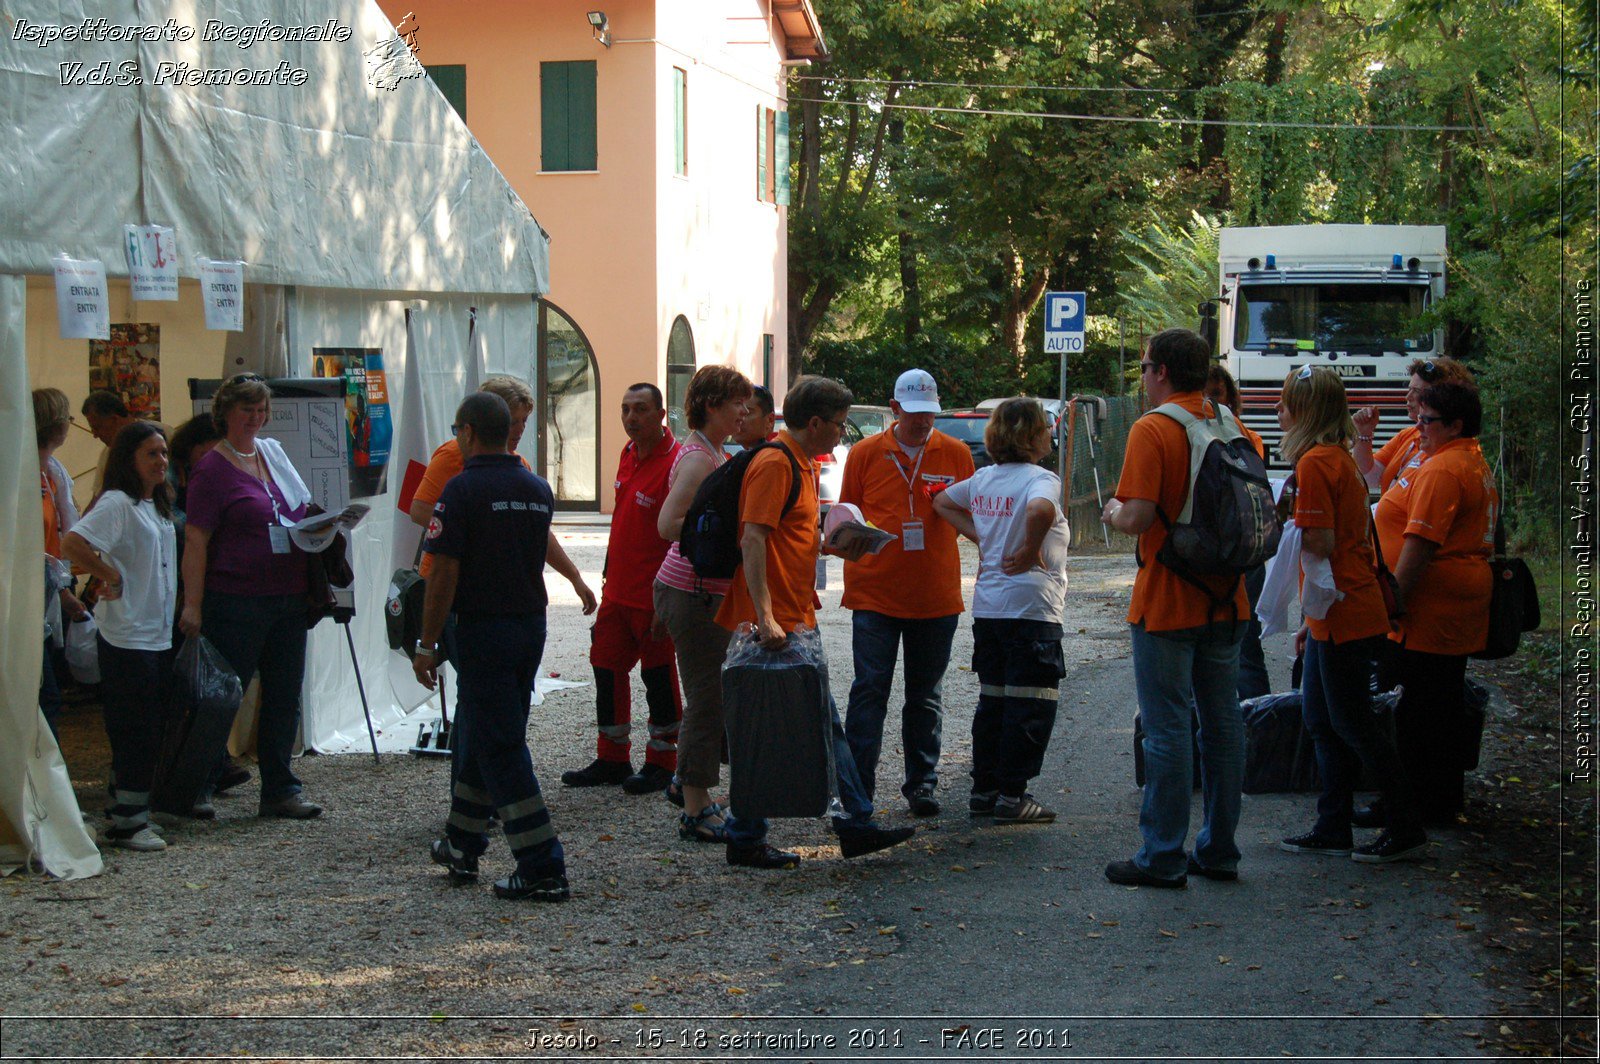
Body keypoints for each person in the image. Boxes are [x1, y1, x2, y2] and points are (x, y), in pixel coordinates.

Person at [715, 375, 916, 869]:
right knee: (799, 725)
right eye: (839, 426)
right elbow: (753, 540)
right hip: (775, 622)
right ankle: (849, 823)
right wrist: (764, 616)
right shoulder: (775, 463)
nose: (841, 436)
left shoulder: (799, 462)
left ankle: (770, 831)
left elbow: (780, 536)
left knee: (798, 725)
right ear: (814, 422)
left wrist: (834, 544)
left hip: (790, 616)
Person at [414, 392, 597, 902]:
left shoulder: (462, 491)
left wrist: (427, 643)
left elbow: (443, 575)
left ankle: (541, 864)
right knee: (492, 731)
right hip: (528, 627)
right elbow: (539, 547)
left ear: (468, 432)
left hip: (482, 628)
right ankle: (462, 841)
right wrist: (579, 581)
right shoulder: (536, 489)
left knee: (500, 745)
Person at [1100, 328, 1249, 888]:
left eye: (1143, 368)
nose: (1142, 378)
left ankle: (1162, 855)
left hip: (1167, 600)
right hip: (1227, 598)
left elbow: (1137, 515)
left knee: (1166, 729)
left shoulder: (1154, 428)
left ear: (1160, 370)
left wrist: (1113, 511)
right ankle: (1220, 850)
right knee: (1223, 725)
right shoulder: (1232, 425)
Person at [1273, 368, 1426, 864]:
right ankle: (1333, 824)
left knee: (1351, 722)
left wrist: (1286, 524)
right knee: (1323, 718)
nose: (1279, 411)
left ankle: (1404, 823)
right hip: (1338, 610)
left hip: (1342, 610)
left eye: (1286, 404)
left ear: (1305, 411)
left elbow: (1319, 541)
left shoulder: (1316, 463)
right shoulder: (1335, 458)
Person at [179, 373, 321, 820]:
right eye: (247, 411)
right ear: (226, 414)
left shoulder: (272, 454)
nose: (255, 420)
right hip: (236, 597)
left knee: (284, 693)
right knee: (224, 694)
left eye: (261, 412)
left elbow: (299, 509)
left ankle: (280, 788)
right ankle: (196, 784)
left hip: (287, 594)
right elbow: (197, 539)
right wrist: (193, 603)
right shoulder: (212, 469)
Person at [840, 368, 975, 817]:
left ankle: (922, 785)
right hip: (875, 594)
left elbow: (971, 515)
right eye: (914, 413)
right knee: (869, 690)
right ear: (895, 409)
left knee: (926, 695)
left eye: (929, 414)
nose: (922, 422)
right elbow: (846, 515)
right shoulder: (865, 453)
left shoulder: (956, 453)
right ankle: (858, 790)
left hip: (935, 595)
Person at [933, 398, 1068, 823]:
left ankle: (984, 790)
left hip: (989, 609)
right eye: (1044, 428)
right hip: (1032, 607)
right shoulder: (1041, 479)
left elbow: (941, 503)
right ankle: (1014, 797)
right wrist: (1028, 549)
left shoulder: (983, 479)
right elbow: (1040, 509)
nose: (1050, 434)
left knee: (993, 701)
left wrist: (983, 539)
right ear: (1030, 436)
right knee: (1031, 702)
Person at [1373, 379, 1496, 826]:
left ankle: (1412, 805)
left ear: (1456, 425)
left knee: (1416, 709)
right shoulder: (1467, 459)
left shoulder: (1444, 470)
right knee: (1439, 704)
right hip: (1452, 605)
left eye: (1428, 421)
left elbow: (1420, 544)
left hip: (1429, 609)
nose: (1419, 427)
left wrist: (1393, 601)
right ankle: (1439, 800)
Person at [60, 422, 178, 853]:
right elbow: (73, 542)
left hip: (156, 632)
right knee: (135, 728)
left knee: (146, 725)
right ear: (130, 459)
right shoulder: (118, 503)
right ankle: (129, 821)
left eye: (163, 453)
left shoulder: (154, 504)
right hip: (127, 634)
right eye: (151, 454)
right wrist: (108, 573)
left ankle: (124, 806)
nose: (161, 461)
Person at [562, 383, 684, 795]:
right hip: (617, 593)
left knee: (659, 678)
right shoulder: (628, 454)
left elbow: (679, 539)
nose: (631, 418)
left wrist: (667, 597)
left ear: (661, 415)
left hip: (653, 597)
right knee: (607, 669)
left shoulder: (677, 462)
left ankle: (663, 762)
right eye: (625, 409)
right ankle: (612, 758)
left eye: (640, 410)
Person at [651, 366, 754, 840]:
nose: (745, 411)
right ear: (712, 404)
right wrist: (723, 541)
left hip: (700, 592)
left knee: (714, 695)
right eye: (737, 402)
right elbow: (668, 524)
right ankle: (695, 806)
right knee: (706, 700)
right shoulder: (698, 459)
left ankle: (687, 784)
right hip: (692, 594)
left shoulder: (711, 451)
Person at [1204, 364, 1269, 700]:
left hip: (1242, 552)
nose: (1211, 401)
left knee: (1245, 641)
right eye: (1205, 394)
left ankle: (1258, 718)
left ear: (1230, 396)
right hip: (1215, 554)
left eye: (1217, 394)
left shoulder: (1246, 438)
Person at [33, 388, 86, 738]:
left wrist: (65, 591)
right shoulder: (21, 473)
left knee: (48, 694)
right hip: (24, 599)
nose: (71, 425)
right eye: (66, 417)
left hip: (47, 594)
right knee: (46, 696)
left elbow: (60, 537)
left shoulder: (53, 473)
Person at [1353, 358, 1475, 494]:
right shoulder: (1409, 435)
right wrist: (1364, 433)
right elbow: (1369, 477)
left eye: (1417, 391)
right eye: (1409, 388)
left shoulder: (1445, 447)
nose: (1408, 396)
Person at [83, 390, 167, 495]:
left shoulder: (164, 434)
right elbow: (99, 497)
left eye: (97, 428)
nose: (95, 435)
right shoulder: (107, 454)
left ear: (114, 420)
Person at [733, 385, 777, 449]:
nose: (738, 419)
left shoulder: (774, 457)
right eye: (735, 412)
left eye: (747, 413)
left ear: (770, 420)